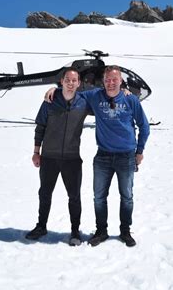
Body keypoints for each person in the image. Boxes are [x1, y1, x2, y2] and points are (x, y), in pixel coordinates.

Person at [47, 66, 150, 247]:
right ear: (103, 81)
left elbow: (144, 127)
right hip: (102, 156)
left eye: (114, 80)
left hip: (126, 157)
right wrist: (55, 89)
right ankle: (101, 231)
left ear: (120, 81)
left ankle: (125, 231)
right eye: (108, 80)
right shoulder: (95, 96)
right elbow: (72, 92)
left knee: (127, 196)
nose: (111, 83)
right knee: (99, 197)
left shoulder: (131, 100)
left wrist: (139, 151)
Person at [25, 68, 90, 246]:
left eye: (74, 80)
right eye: (67, 80)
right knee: (44, 193)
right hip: (49, 157)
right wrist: (36, 152)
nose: (70, 83)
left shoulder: (84, 102)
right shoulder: (50, 101)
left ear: (79, 83)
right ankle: (41, 226)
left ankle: (75, 231)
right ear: (61, 82)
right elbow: (40, 127)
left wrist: (125, 92)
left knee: (74, 196)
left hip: (72, 158)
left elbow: (105, 97)